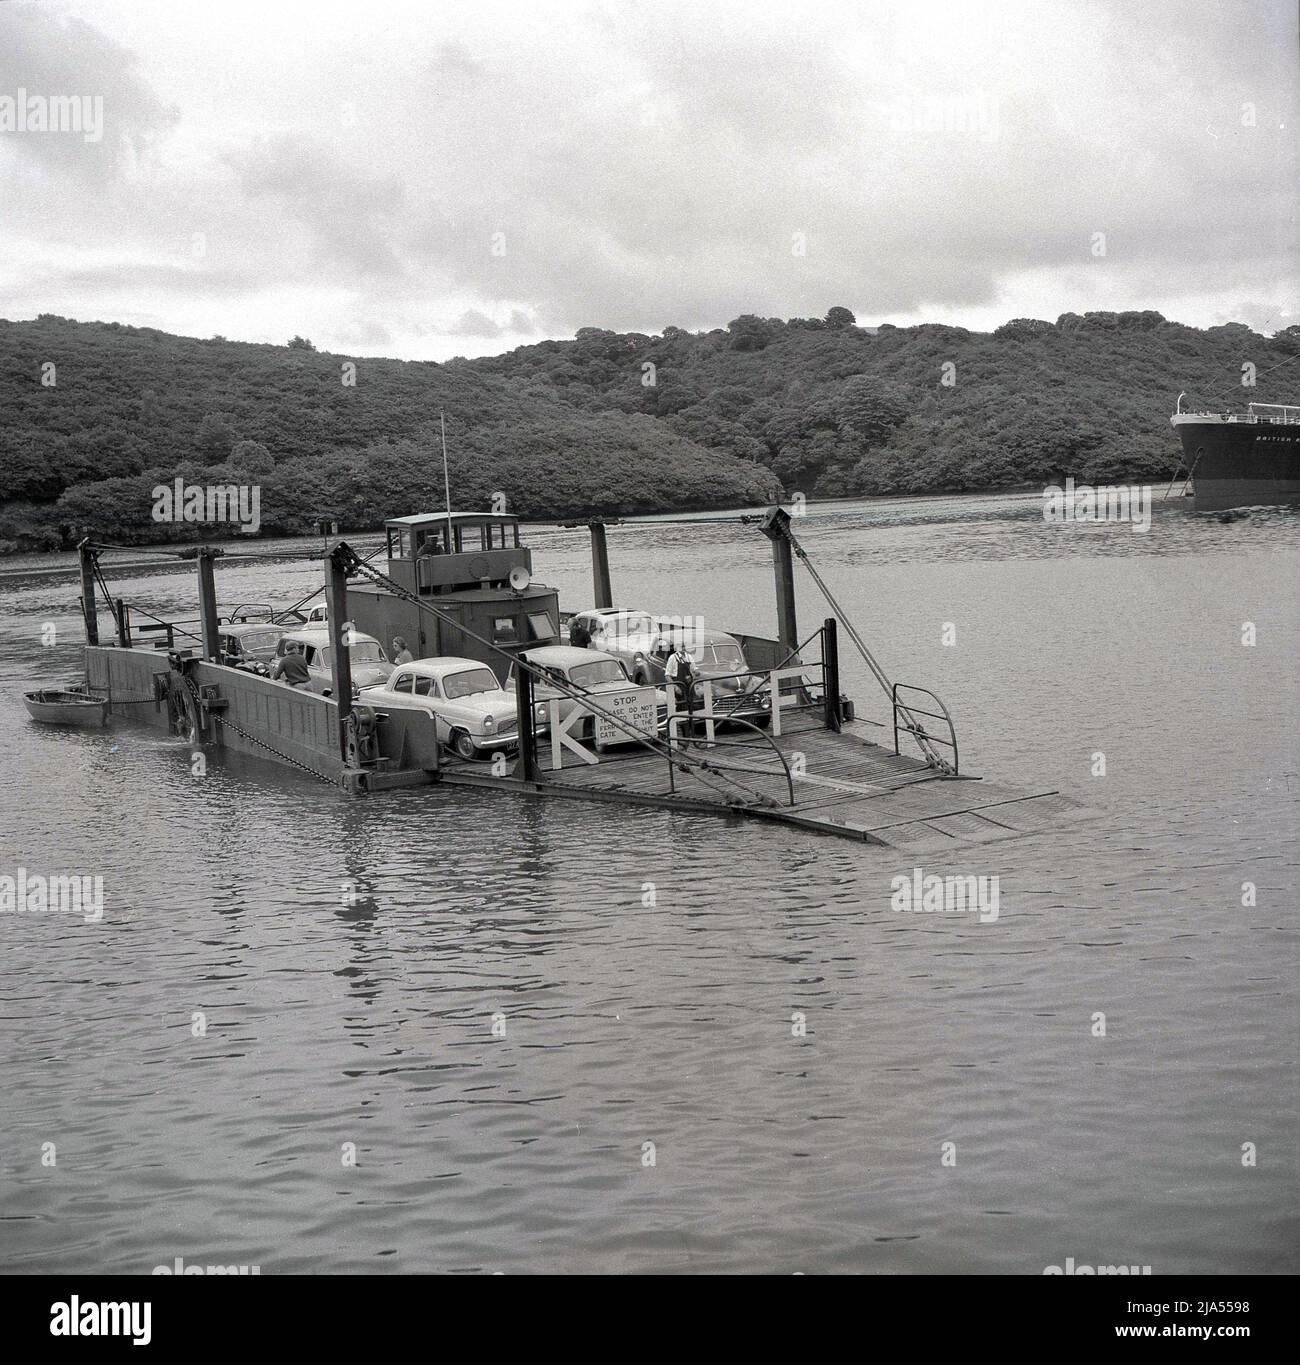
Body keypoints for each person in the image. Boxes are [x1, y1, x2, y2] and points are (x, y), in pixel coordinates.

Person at [663, 635, 697, 731]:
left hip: (689, 687)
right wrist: (675, 687)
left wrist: (695, 674)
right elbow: (667, 675)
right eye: (681, 646)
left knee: (692, 707)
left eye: (684, 646)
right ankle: (685, 733)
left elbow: (695, 670)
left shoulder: (689, 657)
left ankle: (692, 732)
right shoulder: (673, 658)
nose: (683, 648)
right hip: (680, 688)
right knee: (682, 709)